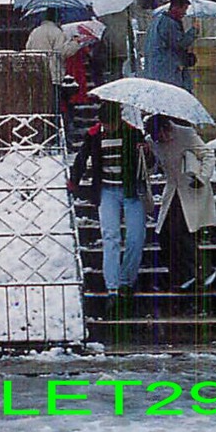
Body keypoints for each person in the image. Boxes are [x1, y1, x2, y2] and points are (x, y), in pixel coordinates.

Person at [68, 101, 150, 315]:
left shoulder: (134, 134)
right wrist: (74, 180)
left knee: (136, 237)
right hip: (107, 191)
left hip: (132, 190)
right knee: (110, 236)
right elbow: (82, 157)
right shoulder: (94, 134)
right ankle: (112, 288)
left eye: (111, 124)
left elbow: (149, 164)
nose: (108, 128)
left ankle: (126, 280)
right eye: (105, 124)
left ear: (119, 120)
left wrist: (146, 152)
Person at [145, 115, 216, 302]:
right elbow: (154, 167)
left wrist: (203, 177)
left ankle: (204, 271)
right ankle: (181, 275)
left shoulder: (185, 134)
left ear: (168, 128)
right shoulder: (151, 142)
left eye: (163, 133)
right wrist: (147, 155)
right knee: (164, 233)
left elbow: (207, 155)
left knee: (182, 231)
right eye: (158, 136)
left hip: (191, 187)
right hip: (172, 189)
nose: (162, 138)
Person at [25, 8, 84, 111]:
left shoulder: (35, 32)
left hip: (36, 73)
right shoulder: (57, 32)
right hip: (53, 75)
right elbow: (62, 53)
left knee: (40, 105)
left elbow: (27, 48)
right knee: (54, 106)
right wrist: (75, 43)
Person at [144, 0, 197, 89]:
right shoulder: (169, 23)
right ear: (175, 7)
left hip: (158, 69)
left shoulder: (159, 20)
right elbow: (179, 44)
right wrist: (193, 31)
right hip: (167, 71)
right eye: (184, 9)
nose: (184, 13)